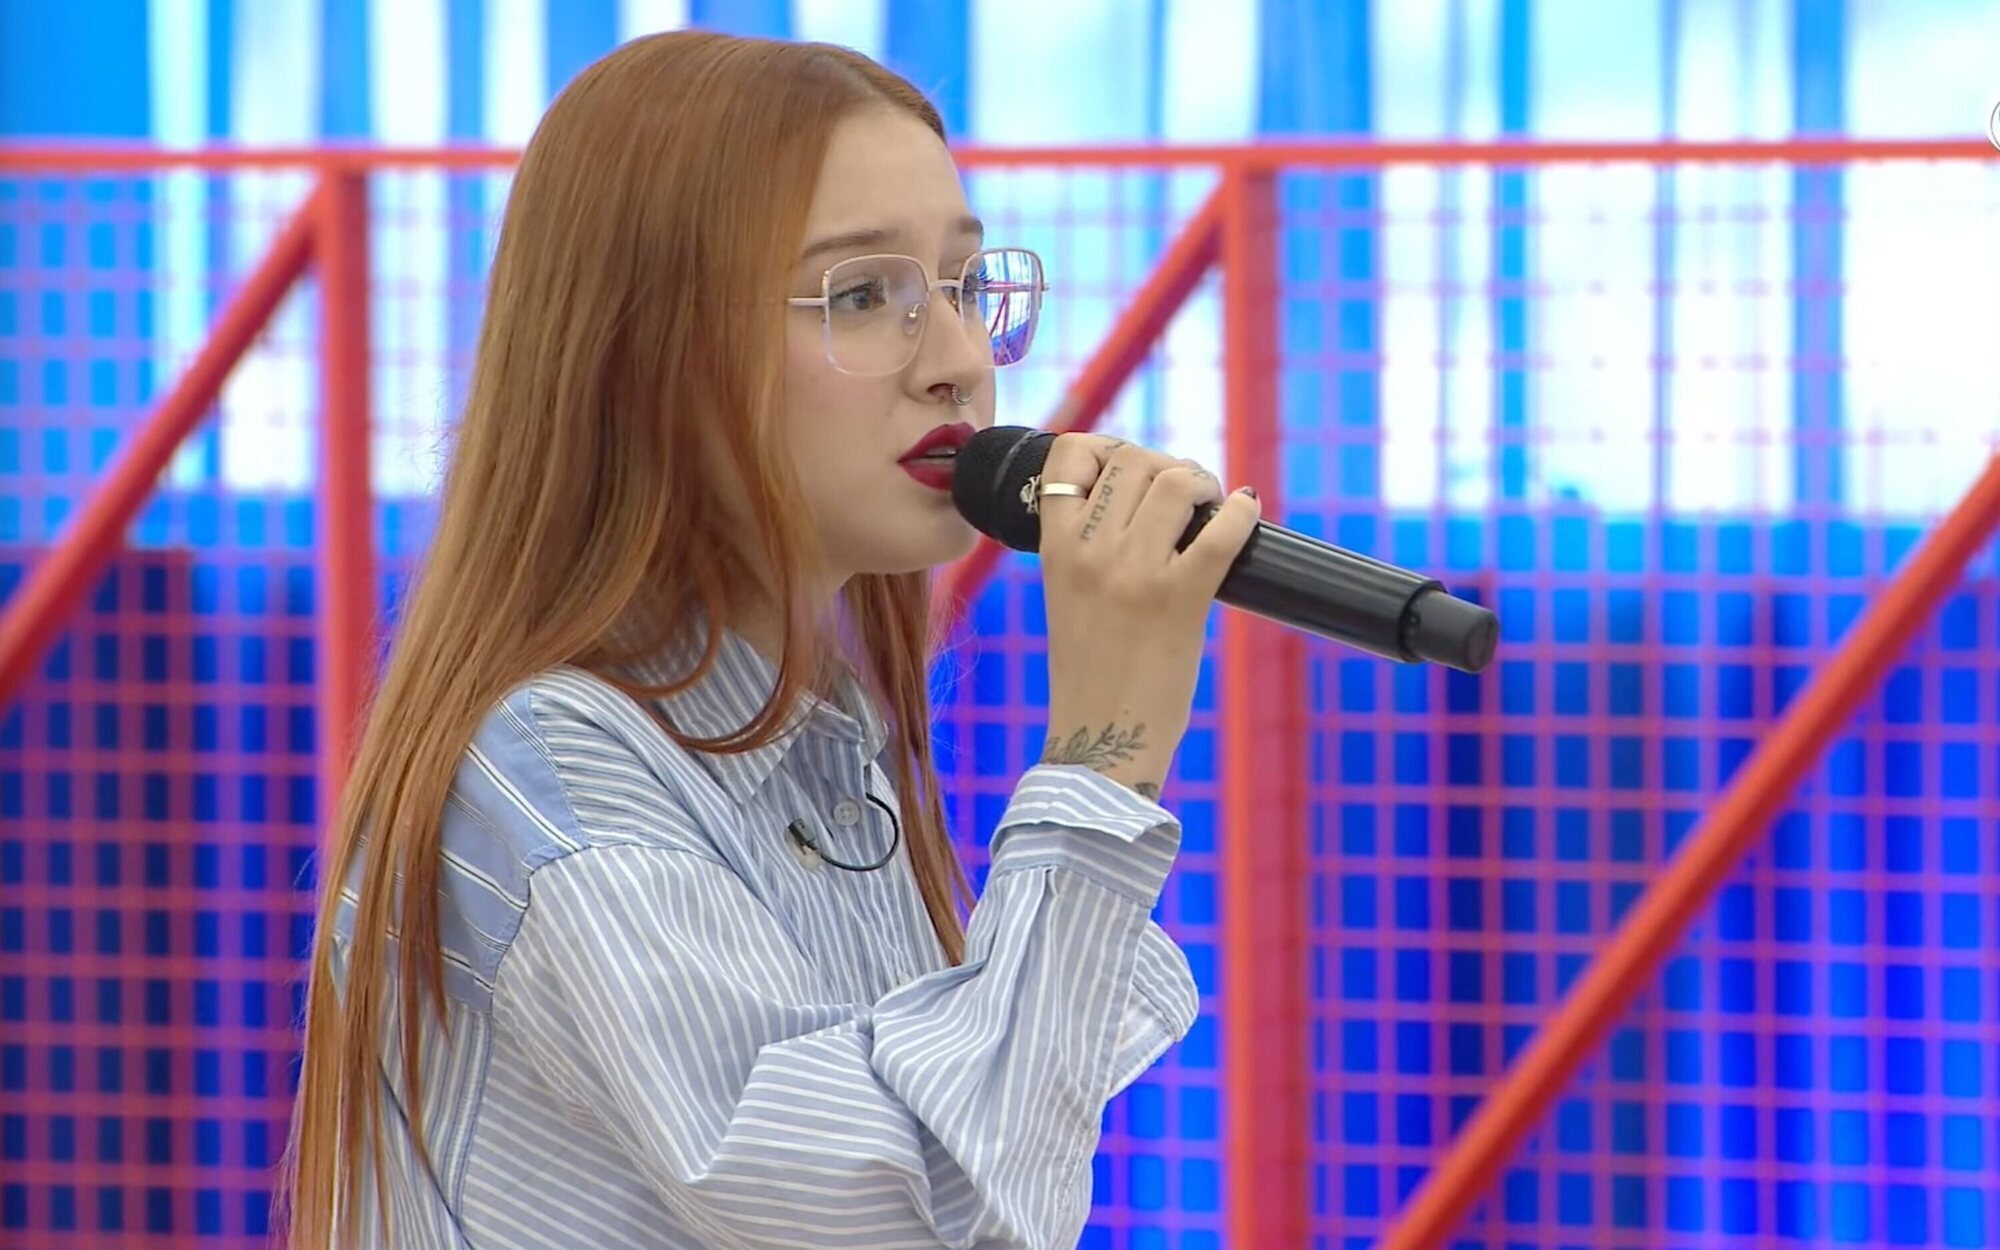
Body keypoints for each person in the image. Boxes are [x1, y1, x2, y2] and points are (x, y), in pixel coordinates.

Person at [283, 29, 1260, 1250]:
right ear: (646, 354)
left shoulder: (819, 738)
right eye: (861, 296)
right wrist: (1101, 757)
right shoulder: (548, 772)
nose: (959, 363)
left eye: (965, 288)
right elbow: (917, 1213)